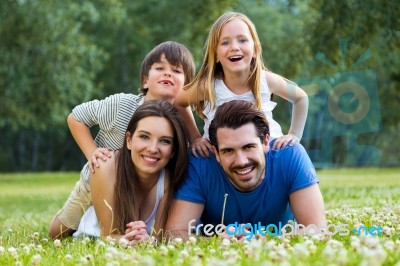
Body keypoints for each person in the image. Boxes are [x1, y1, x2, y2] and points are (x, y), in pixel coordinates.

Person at [49, 41, 195, 238]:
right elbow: (76, 117)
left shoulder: (179, 124)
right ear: (145, 80)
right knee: (58, 232)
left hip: (140, 189)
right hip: (97, 177)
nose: (168, 73)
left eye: (176, 71)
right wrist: (92, 152)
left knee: (128, 228)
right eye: (160, 68)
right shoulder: (120, 106)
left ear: (186, 86)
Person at [165, 100, 325, 240]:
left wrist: (265, 240)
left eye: (248, 147)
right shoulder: (200, 163)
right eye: (228, 151)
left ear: (265, 142)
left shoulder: (290, 155)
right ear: (216, 153)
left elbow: (317, 230)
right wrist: (220, 241)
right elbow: (174, 233)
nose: (241, 161)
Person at [174, 11, 308, 158]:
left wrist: (294, 134)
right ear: (216, 54)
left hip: (267, 154)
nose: (234, 47)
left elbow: (301, 98)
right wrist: (195, 138)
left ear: (256, 49)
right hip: (221, 157)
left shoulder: (267, 80)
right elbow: (179, 102)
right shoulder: (209, 86)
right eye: (225, 42)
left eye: (242, 40)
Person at [73, 100, 189, 244]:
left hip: (134, 244)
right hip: (92, 240)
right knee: (55, 230)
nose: (153, 149)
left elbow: (158, 238)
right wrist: (127, 239)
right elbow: (108, 236)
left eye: (165, 141)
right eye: (144, 137)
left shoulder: (169, 179)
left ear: (173, 150)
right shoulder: (106, 166)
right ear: (129, 140)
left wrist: (147, 240)